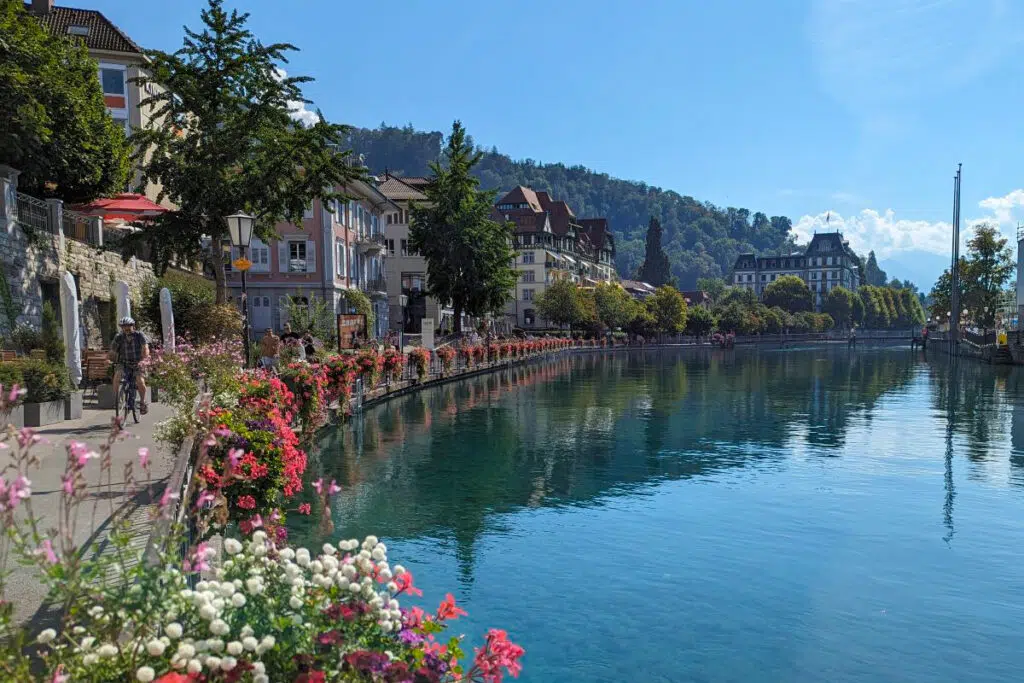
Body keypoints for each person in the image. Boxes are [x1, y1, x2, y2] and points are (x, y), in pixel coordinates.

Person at [109, 316, 150, 415]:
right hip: (124, 362)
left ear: (133, 326)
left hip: (138, 362)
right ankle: (117, 400)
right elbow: (113, 350)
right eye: (124, 326)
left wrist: (145, 358)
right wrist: (109, 359)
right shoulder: (119, 337)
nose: (126, 328)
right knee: (117, 376)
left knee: (140, 381)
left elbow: (145, 348)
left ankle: (142, 402)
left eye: (128, 326)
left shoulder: (139, 335)